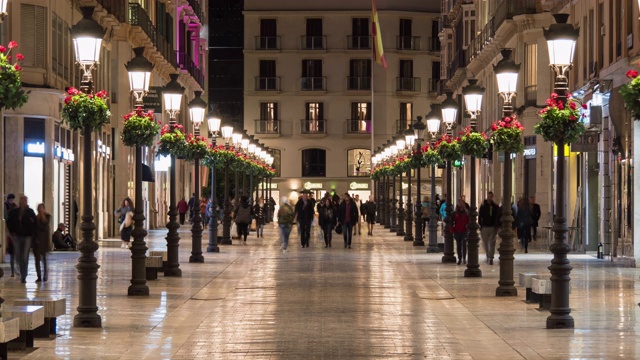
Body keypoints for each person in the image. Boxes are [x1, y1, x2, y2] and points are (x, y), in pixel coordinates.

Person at [6, 194, 37, 283]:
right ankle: (21, 272)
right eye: (22, 201)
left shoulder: (30, 212)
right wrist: (12, 232)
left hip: (27, 236)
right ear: (20, 202)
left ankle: (24, 275)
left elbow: (34, 223)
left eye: (25, 201)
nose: (23, 203)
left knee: (25, 256)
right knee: (18, 255)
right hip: (17, 236)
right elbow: (9, 222)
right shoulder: (14, 212)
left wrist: (31, 230)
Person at [478, 191, 501, 265]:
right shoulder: (483, 206)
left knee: (492, 243)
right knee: (485, 243)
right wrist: (480, 225)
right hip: (484, 227)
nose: (490, 198)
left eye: (491, 196)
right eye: (489, 196)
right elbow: (480, 216)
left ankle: (491, 257)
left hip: (492, 227)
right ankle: (488, 255)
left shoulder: (496, 207)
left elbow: (497, 217)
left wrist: (496, 226)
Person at [33, 203, 52, 283]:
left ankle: (45, 275)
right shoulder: (35, 218)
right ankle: (39, 276)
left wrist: (42, 217)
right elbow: (34, 229)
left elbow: (44, 226)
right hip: (37, 241)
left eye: (41, 208)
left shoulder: (48, 216)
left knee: (44, 259)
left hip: (44, 240)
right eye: (39, 208)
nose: (40, 210)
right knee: (37, 259)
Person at [451, 198, 469, 265]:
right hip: (457, 231)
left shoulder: (466, 213)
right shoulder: (455, 213)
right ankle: (460, 258)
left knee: (464, 245)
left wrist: (468, 230)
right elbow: (451, 222)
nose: (461, 204)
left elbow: (469, 221)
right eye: (460, 203)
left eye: (462, 203)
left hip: (464, 231)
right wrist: (452, 231)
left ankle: (464, 258)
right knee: (458, 245)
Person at [4, 193, 17, 277]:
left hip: (14, 231)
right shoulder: (5, 205)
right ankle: (13, 271)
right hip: (8, 229)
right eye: (11, 199)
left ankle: (14, 270)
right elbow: (5, 217)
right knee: (12, 251)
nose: (12, 201)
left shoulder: (15, 206)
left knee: (14, 252)